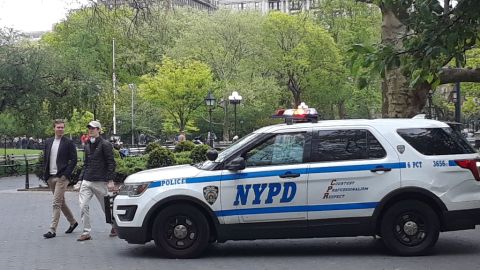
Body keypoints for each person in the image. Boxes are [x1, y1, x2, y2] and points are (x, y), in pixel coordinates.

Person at [77, 120, 116, 241]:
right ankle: (86, 232)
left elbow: (111, 163)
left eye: (93, 128)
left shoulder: (105, 144)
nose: (90, 130)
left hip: (100, 181)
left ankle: (114, 226)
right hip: (87, 180)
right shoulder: (87, 144)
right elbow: (86, 164)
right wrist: (80, 180)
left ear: (99, 130)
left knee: (106, 208)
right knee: (83, 205)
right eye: (89, 128)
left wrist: (110, 180)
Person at [42, 119, 79, 239]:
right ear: (54, 128)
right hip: (50, 177)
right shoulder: (48, 142)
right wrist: (46, 175)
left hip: (62, 178)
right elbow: (45, 158)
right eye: (58, 127)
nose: (60, 129)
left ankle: (52, 230)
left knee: (56, 203)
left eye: (62, 127)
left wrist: (65, 175)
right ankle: (73, 222)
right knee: (61, 202)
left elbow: (74, 160)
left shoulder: (68, 142)